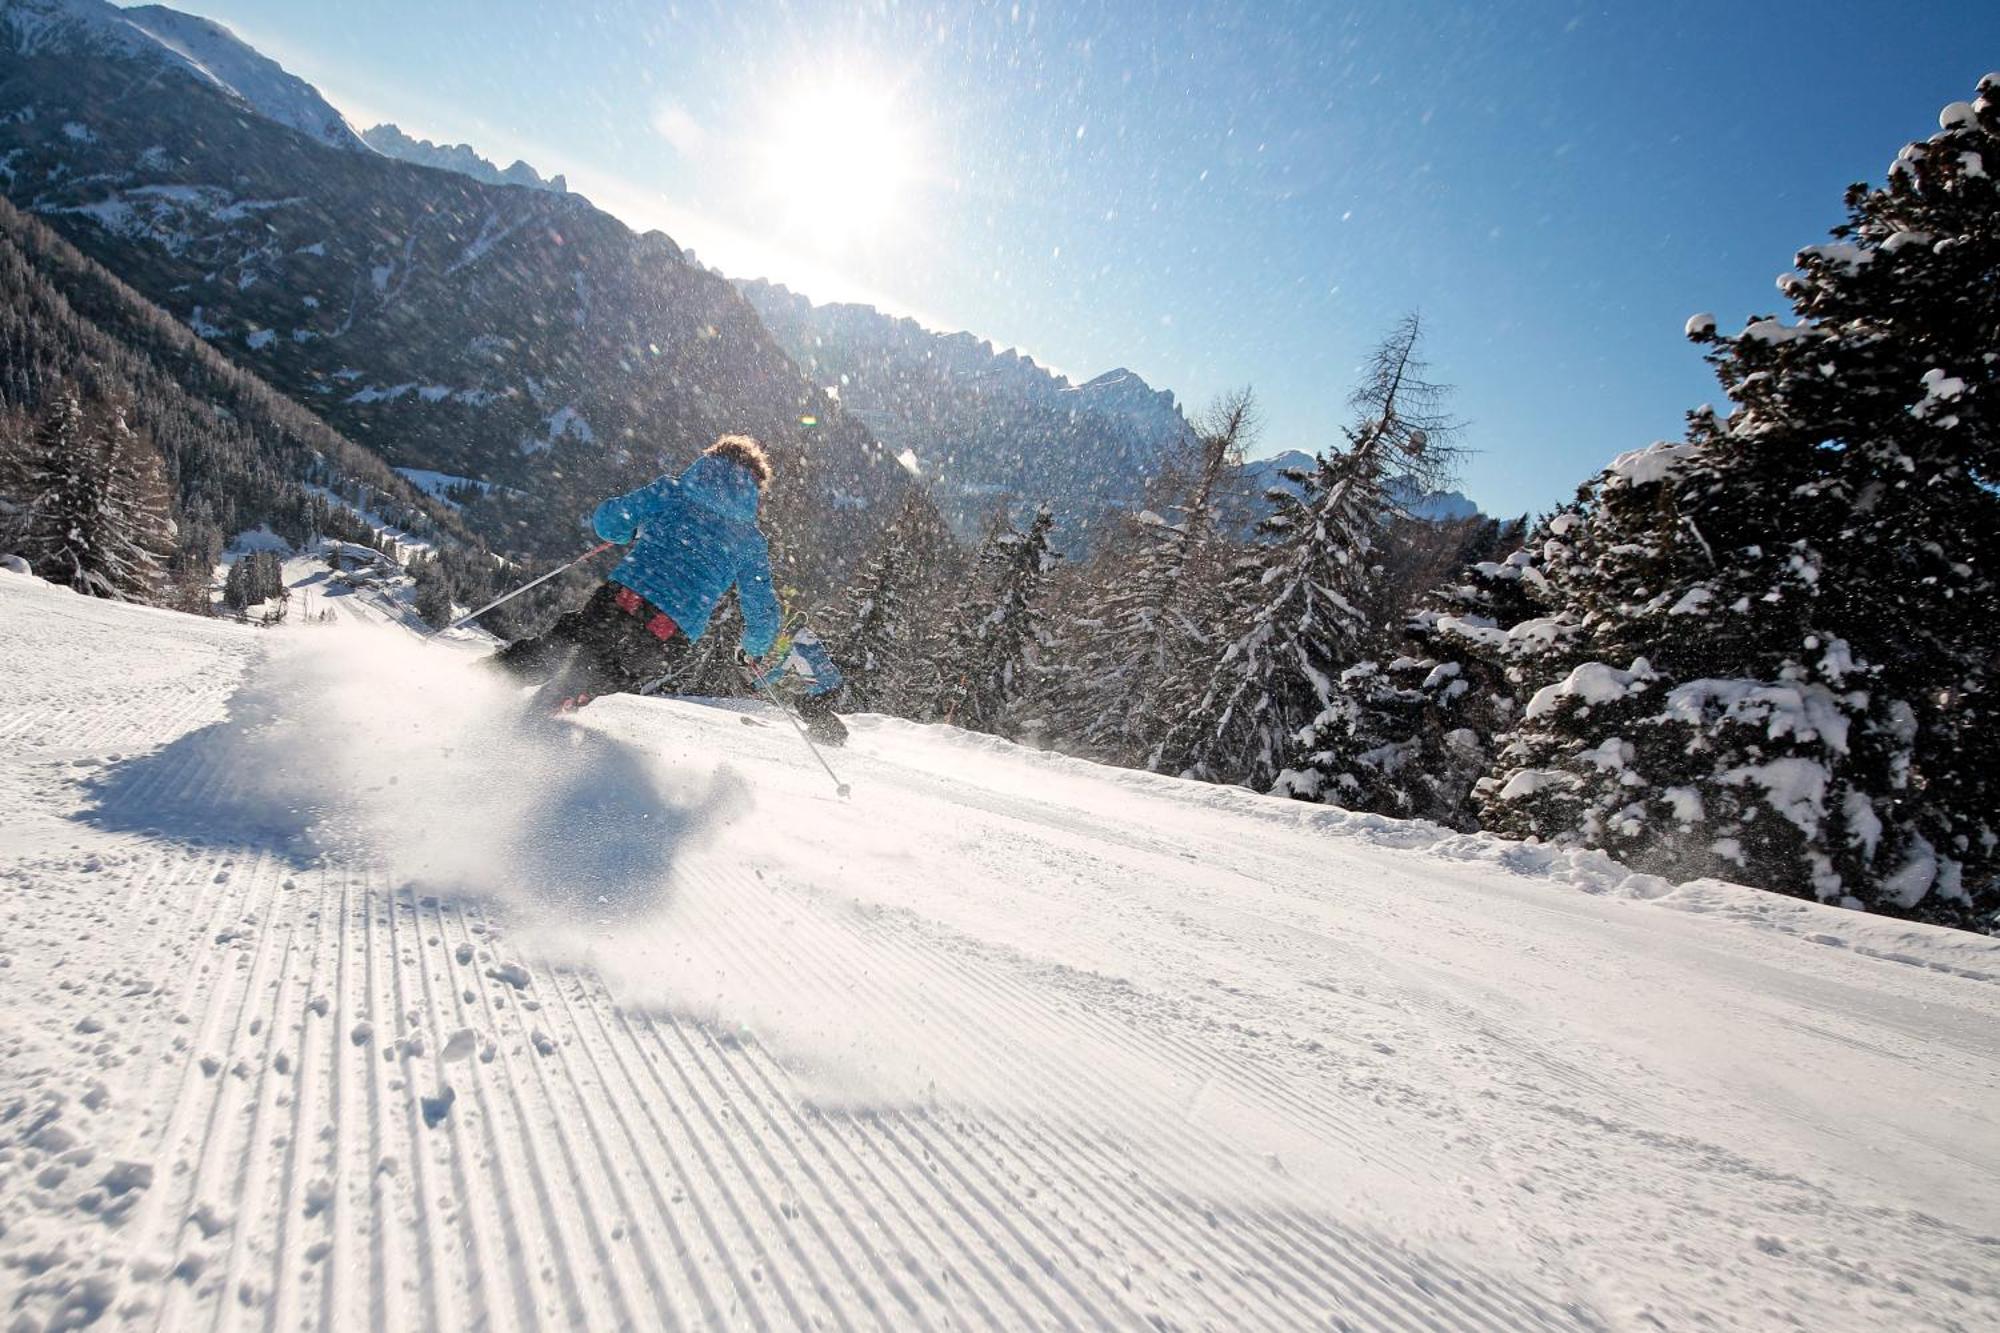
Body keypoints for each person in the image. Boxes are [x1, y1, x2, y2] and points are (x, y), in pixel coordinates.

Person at [493, 434, 781, 711]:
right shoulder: (750, 541)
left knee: (563, 645)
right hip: (670, 629)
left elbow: (608, 521)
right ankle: (548, 715)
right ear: (755, 487)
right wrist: (753, 648)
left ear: (709, 460)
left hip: (623, 597)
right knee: (605, 672)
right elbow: (761, 607)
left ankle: (479, 681)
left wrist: (627, 531)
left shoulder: (670, 492)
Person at [757, 625, 849, 746]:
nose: (781, 643)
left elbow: (778, 672)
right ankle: (831, 730)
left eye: (784, 639)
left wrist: (756, 684)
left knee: (809, 707)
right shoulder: (813, 642)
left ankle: (828, 733)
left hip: (823, 688)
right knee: (807, 703)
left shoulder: (794, 651)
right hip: (836, 684)